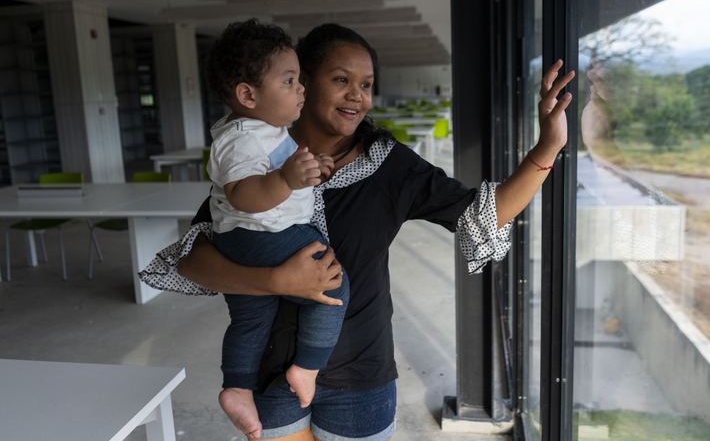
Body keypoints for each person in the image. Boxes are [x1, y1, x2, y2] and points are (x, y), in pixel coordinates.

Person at [141, 22, 573, 441]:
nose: (356, 96)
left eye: (366, 85)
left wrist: (547, 146)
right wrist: (274, 281)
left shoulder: (390, 166)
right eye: (341, 79)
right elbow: (195, 258)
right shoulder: (257, 152)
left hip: (360, 377)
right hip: (270, 372)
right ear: (303, 82)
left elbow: (483, 215)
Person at [205, 20, 350, 439]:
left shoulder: (264, 131)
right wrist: (286, 179)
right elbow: (243, 196)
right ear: (248, 95)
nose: (301, 88)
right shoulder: (239, 138)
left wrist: (307, 172)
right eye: (289, 80)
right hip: (259, 235)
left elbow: (281, 174)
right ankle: (306, 368)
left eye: (299, 79)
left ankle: (237, 387)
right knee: (332, 284)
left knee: (252, 320)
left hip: (244, 240)